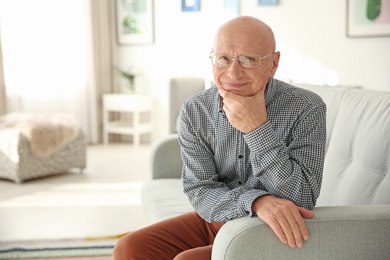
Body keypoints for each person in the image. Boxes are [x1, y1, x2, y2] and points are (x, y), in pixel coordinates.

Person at [113, 15, 326, 260]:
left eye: (248, 59)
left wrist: (256, 129)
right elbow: (199, 189)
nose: (233, 73)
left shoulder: (307, 108)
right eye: (223, 59)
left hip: (274, 229)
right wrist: (256, 201)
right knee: (128, 249)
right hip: (220, 216)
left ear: (274, 63)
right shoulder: (195, 110)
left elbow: (303, 197)